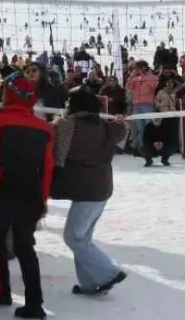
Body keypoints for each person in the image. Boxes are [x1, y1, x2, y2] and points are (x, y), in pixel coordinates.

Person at [0, 72, 55, 320]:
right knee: (26, 246)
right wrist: (44, 199)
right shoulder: (45, 128)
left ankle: (0, 290)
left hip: (2, 189)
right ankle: (34, 302)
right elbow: (48, 168)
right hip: (32, 192)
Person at [51, 86, 128, 295]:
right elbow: (123, 133)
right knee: (83, 239)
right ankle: (90, 283)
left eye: (69, 101)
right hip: (102, 187)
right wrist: (120, 122)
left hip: (85, 189)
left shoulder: (67, 125)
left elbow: (58, 156)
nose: (66, 104)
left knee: (74, 238)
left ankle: (108, 273)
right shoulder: (106, 126)